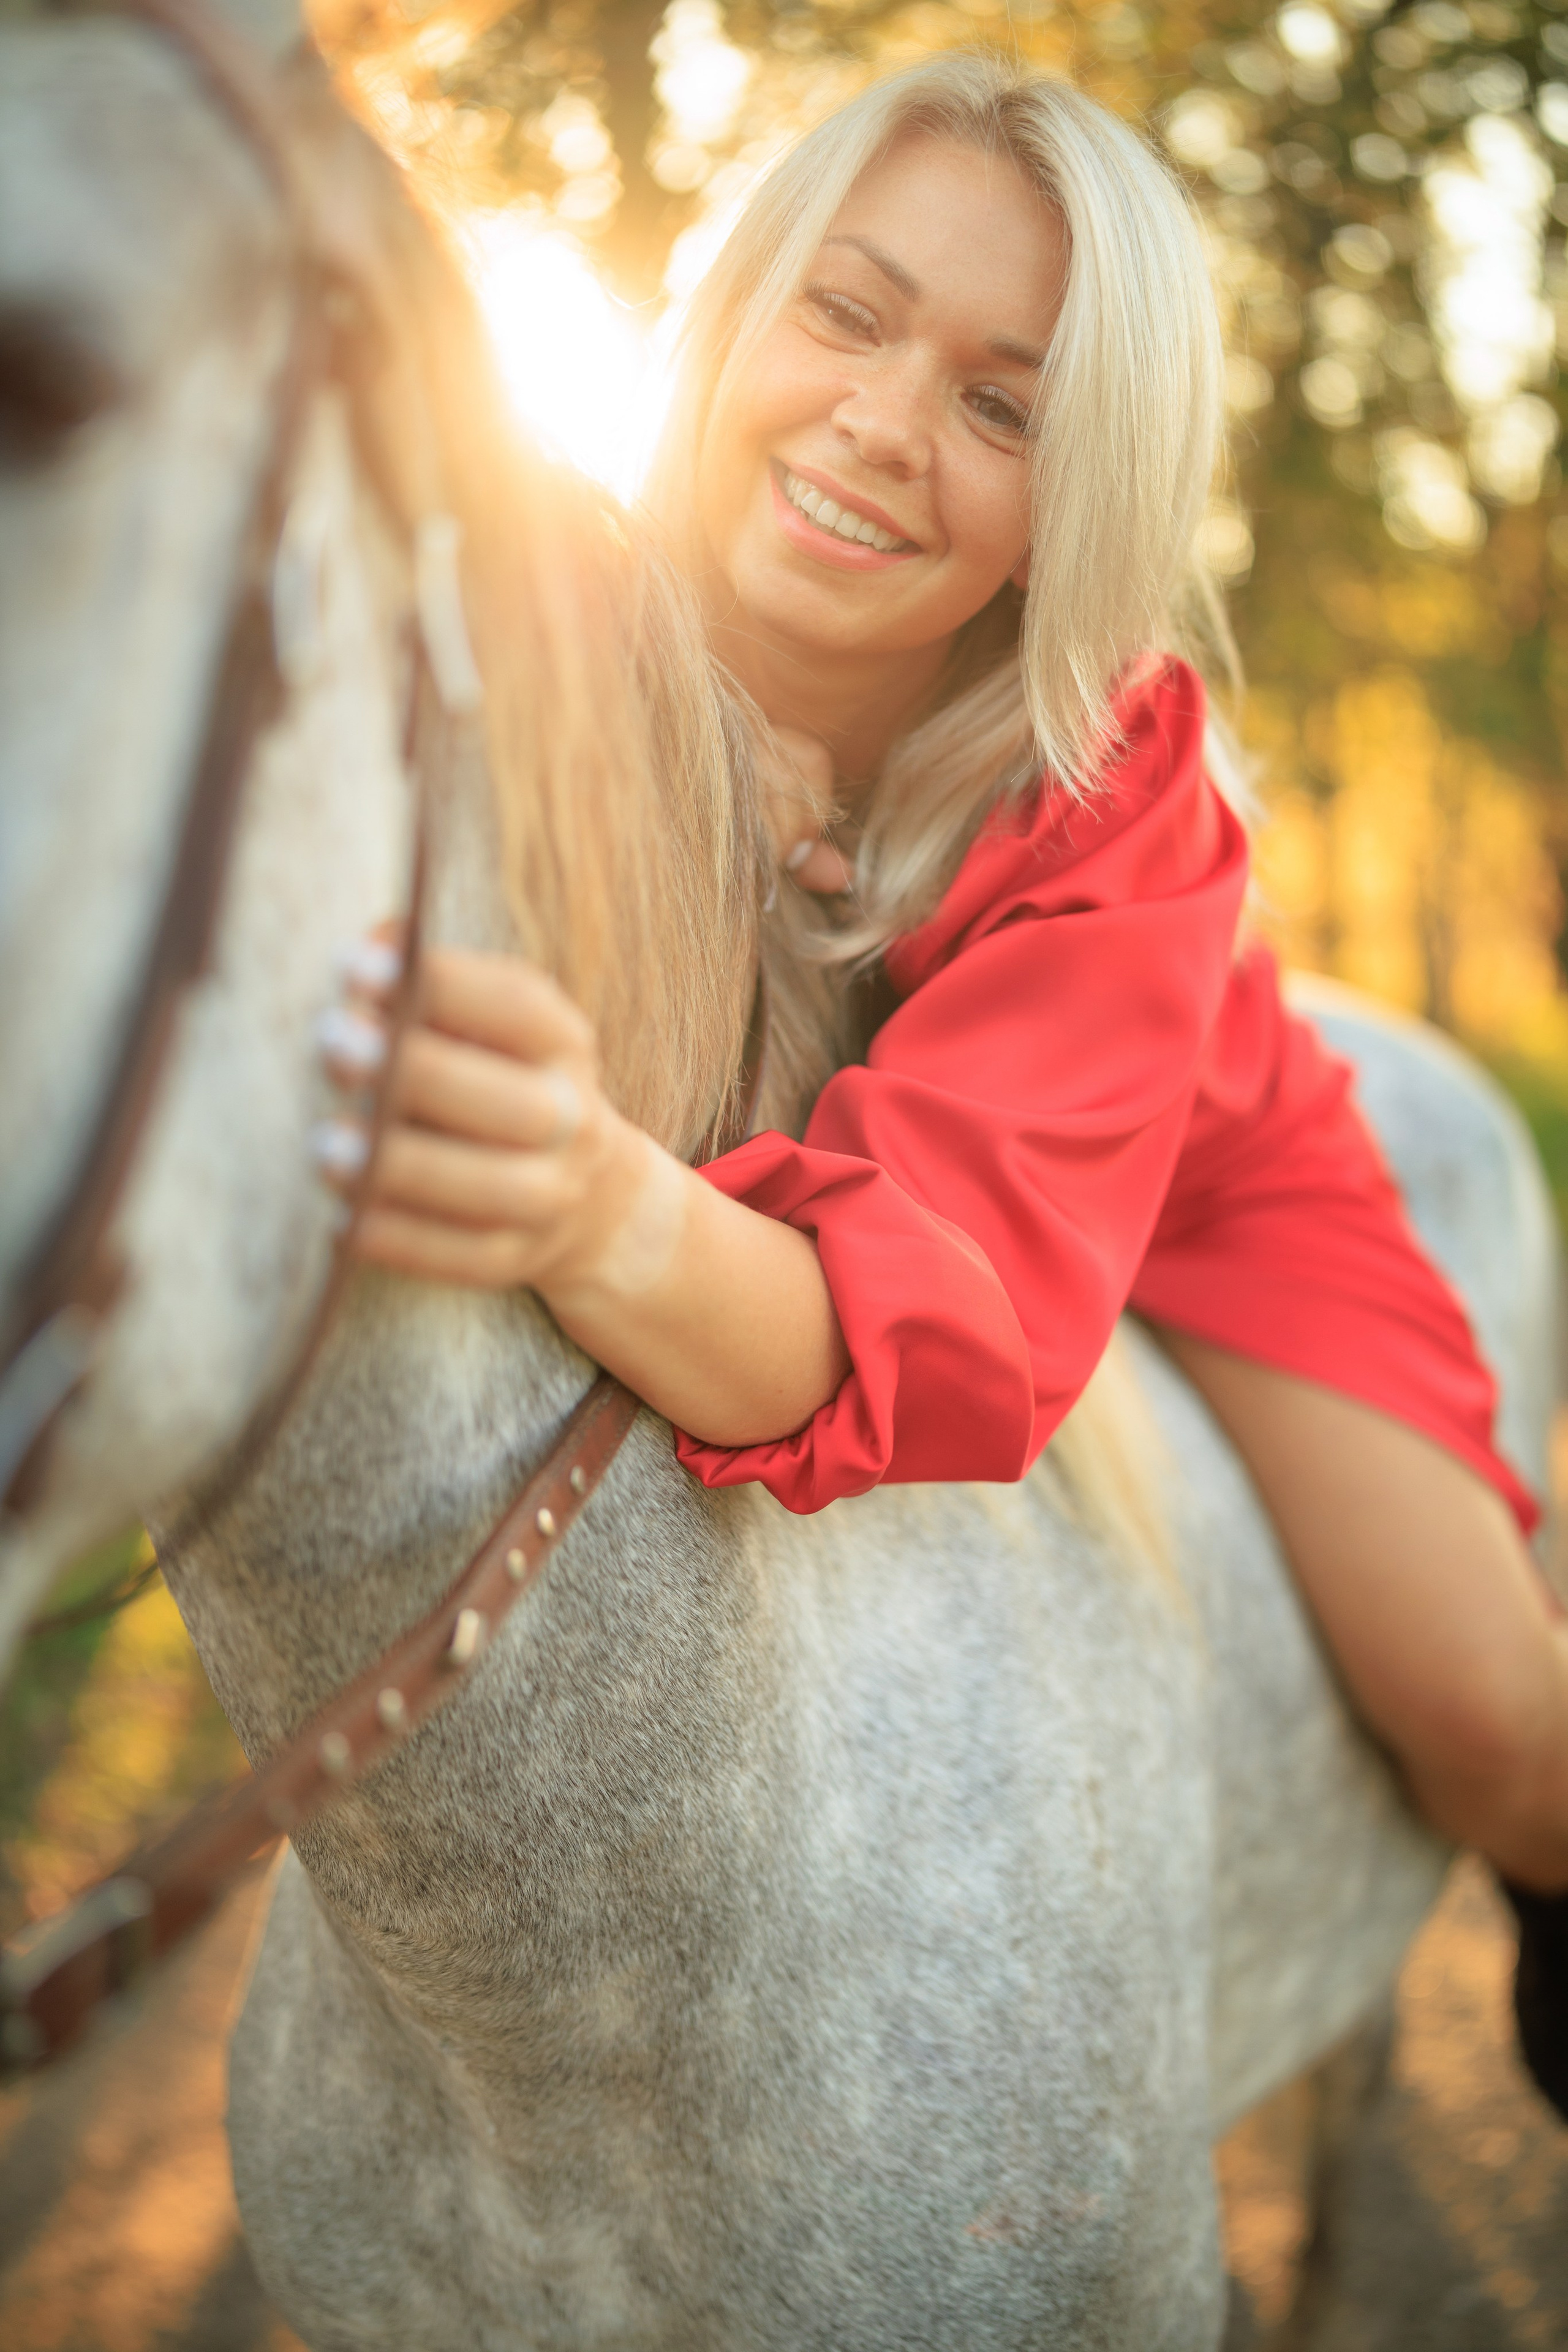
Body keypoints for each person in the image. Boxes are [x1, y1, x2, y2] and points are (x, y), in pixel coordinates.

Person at [312, 55, 1568, 2115]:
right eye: (846, 311)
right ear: (741, 313)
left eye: (1007, 407)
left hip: (1186, 1179)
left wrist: (588, 1202)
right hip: (839, 1176)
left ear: (1074, 502)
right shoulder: (553, 610)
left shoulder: (1116, 784)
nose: (884, 428)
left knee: (1488, 1711)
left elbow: (917, 1323)